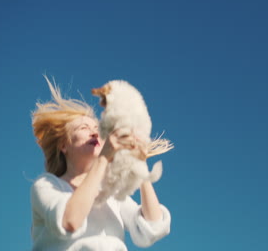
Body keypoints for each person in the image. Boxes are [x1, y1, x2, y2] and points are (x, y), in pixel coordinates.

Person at [30, 78, 171, 251]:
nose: (94, 133)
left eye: (98, 129)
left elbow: (152, 227)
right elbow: (69, 222)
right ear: (63, 145)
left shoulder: (111, 193)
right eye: (83, 128)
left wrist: (140, 164)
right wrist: (103, 159)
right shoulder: (46, 185)